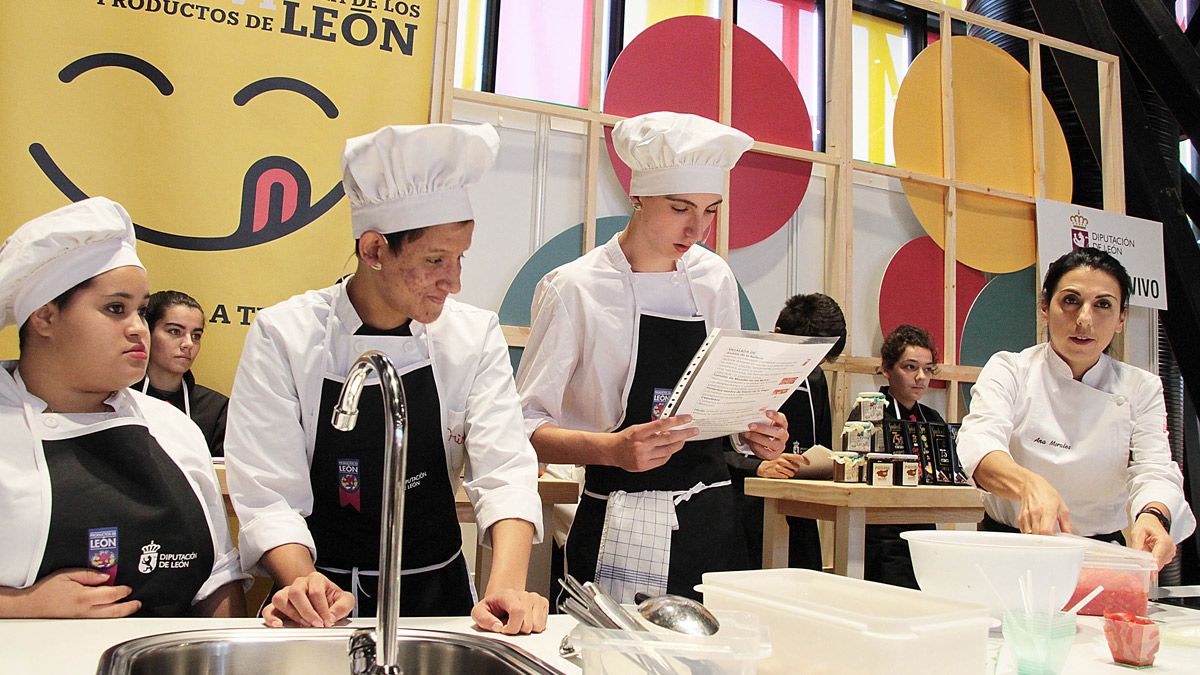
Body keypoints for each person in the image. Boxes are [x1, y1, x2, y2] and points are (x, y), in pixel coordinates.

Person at [225, 123, 548, 633]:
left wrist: (507, 585)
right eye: (435, 260)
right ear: (374, 249)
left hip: (439, 596)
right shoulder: (285, 336)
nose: (455, 281)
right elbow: (269, 493)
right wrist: (304, 583)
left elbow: (504, 469)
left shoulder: (472, 335)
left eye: (459, 258)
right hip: (321, 605)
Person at [516, 111, 789, 603]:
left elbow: (723, 401)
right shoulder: (575, 288)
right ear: (637, 196)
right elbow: (524, 429)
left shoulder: (714, 278)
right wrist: (613, 450)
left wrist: (753, 433)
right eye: (681, 207)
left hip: (712, 519)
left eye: (711, 210)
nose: (698, 228)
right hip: (618, 517)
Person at [0, 197, 246, 618]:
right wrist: (21, 605)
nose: (137, 328)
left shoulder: (173, 428)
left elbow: (218, 580)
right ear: (44, 318)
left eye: (141, 310)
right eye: (116, 309)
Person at [956, 247, 1195, 569]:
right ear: (1044, 307)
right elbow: (979, 443)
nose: (1084, 320)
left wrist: (1154, 515)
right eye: (1070, 300)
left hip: (1100, 556)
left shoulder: (1141, 387)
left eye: (1103, 305)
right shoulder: (1010, 369)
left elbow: (1154, 468)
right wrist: (1028, 484)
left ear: (1122, 317)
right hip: (1009, 545)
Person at [725, 292, 846, 569]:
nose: (809, 367)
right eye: (804, 356)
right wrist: (757, 467)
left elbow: (821, 446)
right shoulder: (739, 368)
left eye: (818, 361)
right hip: (744, 511)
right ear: (777, 334)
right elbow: (708, 450)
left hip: (799, 513)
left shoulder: (815, 379)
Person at [849, 323, 945, 588]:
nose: (921, 378)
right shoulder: (868, 414)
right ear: (887, 368)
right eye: (910, 367)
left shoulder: (933, 419)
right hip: (881, 533)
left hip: (924, 531)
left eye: (928, 369)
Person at [134, 290, 228, 456]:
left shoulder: (216, 409)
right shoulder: (116, 399)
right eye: (174, 331)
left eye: (196, 335)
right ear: (147, 332)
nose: (188, 343)